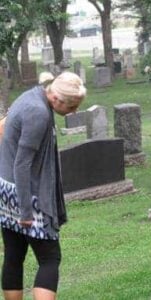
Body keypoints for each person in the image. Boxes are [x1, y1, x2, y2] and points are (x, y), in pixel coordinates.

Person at [0, 71, 87, 300]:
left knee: (14, 254)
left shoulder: (28, 96)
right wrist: (26, 211)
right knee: (50, 259)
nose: (74, 112)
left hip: (6, 189)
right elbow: (22, 163)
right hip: (27, 194)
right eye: (72, 106)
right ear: (57, 99)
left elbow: (4, 129)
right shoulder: (39, 113)